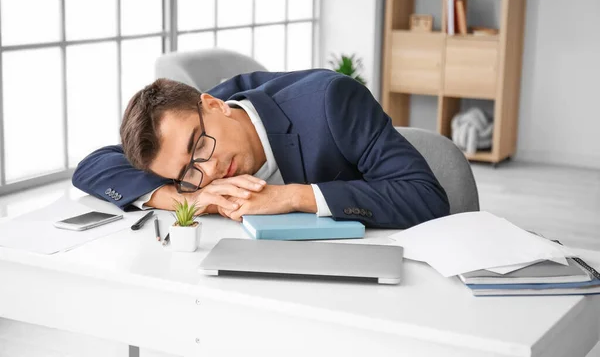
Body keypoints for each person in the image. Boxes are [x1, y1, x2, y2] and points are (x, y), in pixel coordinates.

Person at [72, 69, 449, 229]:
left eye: (199, 147)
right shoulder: (186, 161)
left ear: (215, 104)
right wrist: (189, 198)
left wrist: (293, 197)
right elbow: (92, 167)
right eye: (188, 173)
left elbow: (427, 199)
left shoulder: (331, 102)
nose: (210, 170)